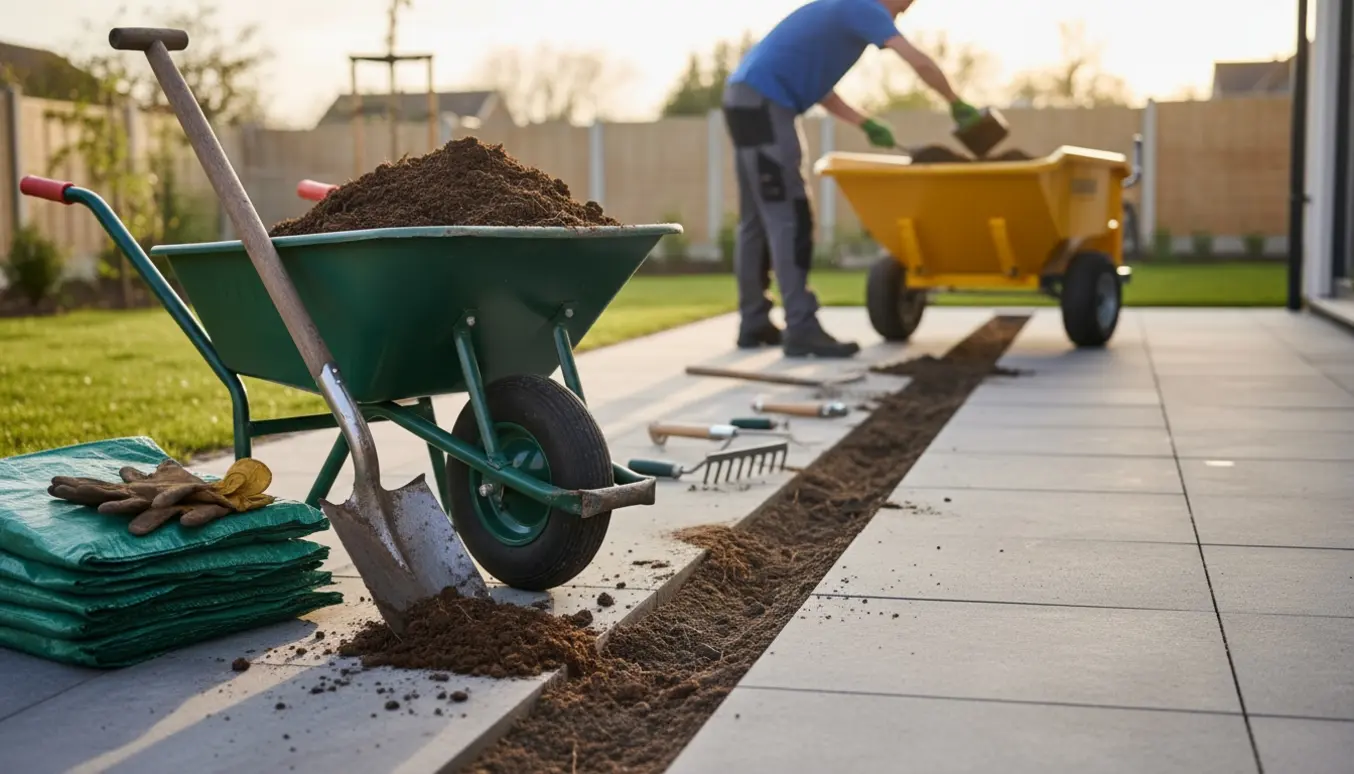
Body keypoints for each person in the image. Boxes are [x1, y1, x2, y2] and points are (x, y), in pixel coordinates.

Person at [723, 0, 980, 358]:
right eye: (904, 5)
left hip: (744, 99)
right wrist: (956, 102)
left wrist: (863, 122)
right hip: (768, 104)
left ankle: (753, 322)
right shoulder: (864, 5)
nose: (902, 13)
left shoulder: (839, 10)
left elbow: (817, 86)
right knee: (790, 217)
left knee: (756, 220)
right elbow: (917, 60)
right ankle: (801, 326)